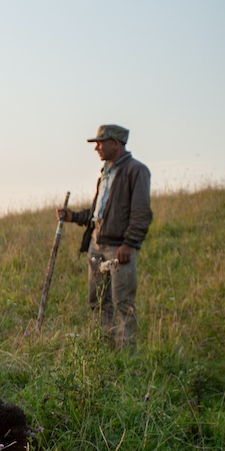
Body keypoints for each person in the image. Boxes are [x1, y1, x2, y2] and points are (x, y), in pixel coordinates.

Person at [58, 124, 152, 349]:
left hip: (119, 248)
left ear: (116, 144)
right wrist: (72, 217)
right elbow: (97, 213)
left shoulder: (136, 170)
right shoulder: (106, 173)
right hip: (97, 245)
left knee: (123, 302)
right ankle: (105, 346)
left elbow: (141, 213)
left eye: (100, 143)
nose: (96, 148)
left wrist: (129, 244)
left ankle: (126, 353)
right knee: (98, 301)